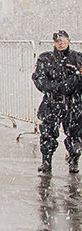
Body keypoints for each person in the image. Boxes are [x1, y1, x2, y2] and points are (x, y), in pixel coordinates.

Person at [33, 30, 82, 174]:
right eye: (57, 40)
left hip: (73, 103)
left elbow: (79, 81)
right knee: (47, 133)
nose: (60, 43)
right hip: (52, 102)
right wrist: (57, 88)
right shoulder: (45, 59)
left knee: (75, 134)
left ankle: (74, 161)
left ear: (69, 40)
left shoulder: (78, 59)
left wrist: (70, 85)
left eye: (63, 40)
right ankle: (46, 162)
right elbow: (39, 80)